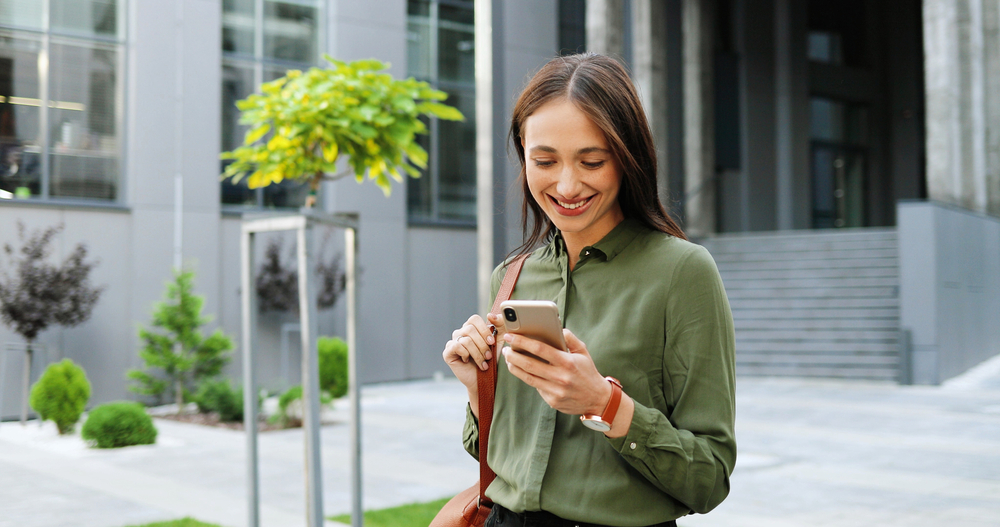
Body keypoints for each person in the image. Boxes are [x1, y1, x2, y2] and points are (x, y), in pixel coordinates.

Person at [442, 53, 736, 527]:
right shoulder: (511, 276)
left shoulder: (683, 273)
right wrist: (481, 392)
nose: (566, 183)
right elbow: (497, 458)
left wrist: (604, 403)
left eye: (591, 161)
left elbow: (710, 478)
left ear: (627, 158)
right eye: (543, 160)